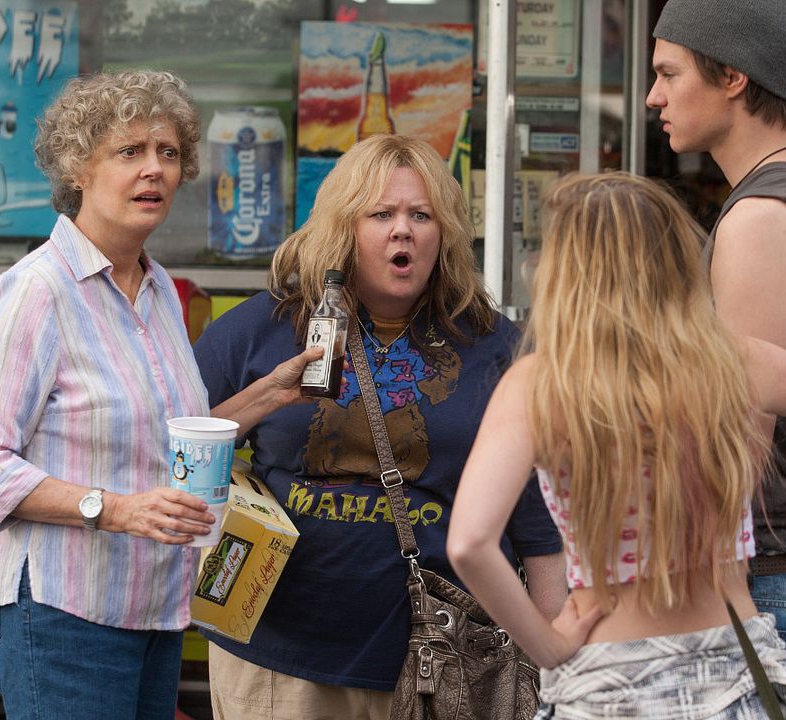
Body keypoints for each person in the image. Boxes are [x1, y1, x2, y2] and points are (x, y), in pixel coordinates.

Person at [447, 172, 786, 719]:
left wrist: (547, 645)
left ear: (565, 272)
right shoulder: (730, 362)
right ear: (674, 260)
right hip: (735, 671)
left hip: (606, 682)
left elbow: (469, 543)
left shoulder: (541, 384)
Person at [0, 70, 299, 720]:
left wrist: (269, 396)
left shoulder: (160, 289)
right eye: (129, 152)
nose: (155, 170)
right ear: (79, 168)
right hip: (62, 614)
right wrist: (116, 511)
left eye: (168, 153)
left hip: (157, 611)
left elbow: (168, 442)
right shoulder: (37, 292)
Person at [193, 133, 566, 720]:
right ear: (343, 227)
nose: (403, 230)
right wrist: (267, 397)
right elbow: (178, 461)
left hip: (444, 665)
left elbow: (538, 522)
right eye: (381, 214)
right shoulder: (262, 329)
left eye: (422, 215)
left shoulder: (493, 346)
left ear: (443, 233)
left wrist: (557, 668)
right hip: (277, 659)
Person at [645, 0, 786, 690]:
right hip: (761, 577)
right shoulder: (782, 198)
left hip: (746, 583)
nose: (654, 97)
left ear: (732, 76)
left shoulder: (761, 218)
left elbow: (739, 435)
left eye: (670, 74)